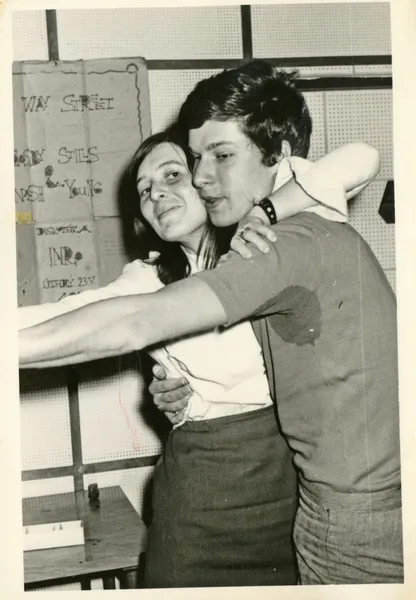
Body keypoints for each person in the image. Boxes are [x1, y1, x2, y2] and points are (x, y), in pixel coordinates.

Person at [18, 61, 400, 585]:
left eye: (180, 173)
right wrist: (174, 397)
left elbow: (362, 157)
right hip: (213, 488)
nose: (162, 193)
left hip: (293, 490)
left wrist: (266, 209)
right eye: (145, 190)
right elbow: (91, 316)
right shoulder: (154, 276)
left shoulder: (264, 243)